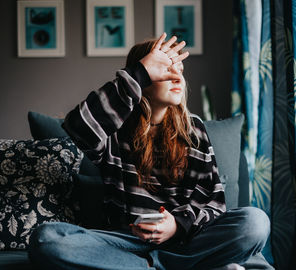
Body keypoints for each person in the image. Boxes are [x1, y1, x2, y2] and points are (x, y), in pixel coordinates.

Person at [28, 33, 270, 270]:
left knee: (255, 223)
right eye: (166, 69)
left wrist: (176, 226)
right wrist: (139, 73)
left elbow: (213, 204)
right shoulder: (114, 129)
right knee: (46, 239)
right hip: (124, 244)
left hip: (184, 243)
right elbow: (78, 127)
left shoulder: (193, 130)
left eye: (180, 70)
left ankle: (154, 266)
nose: (177, 77)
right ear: (142, 78)